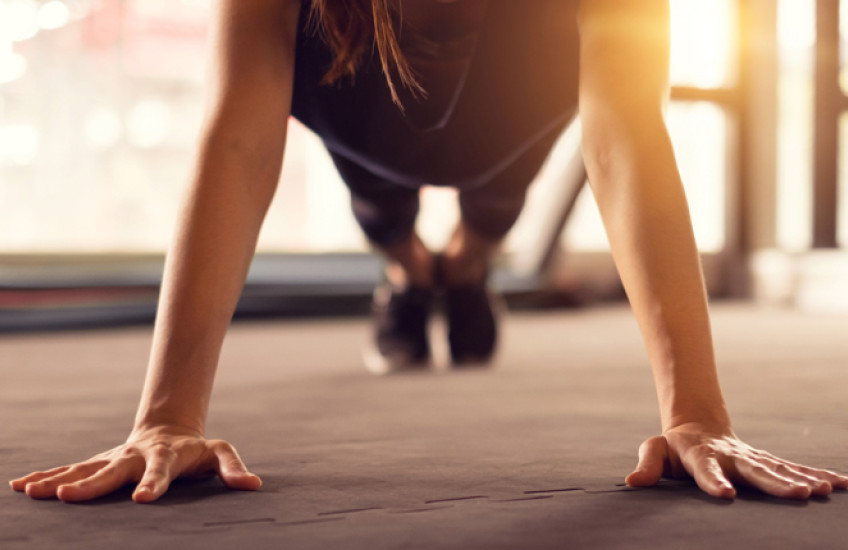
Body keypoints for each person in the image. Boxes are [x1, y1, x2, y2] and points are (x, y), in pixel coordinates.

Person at [10, 0, 848, 504]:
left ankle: (466, 266)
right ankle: (411, 269)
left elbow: (625, 135)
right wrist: (166, 416)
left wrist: (697, 413)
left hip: (511, 110)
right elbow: (237, 139)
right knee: (383, 209)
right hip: (354, 88)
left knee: (491, 208)